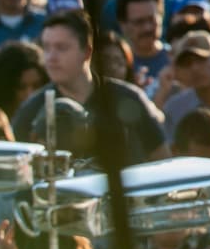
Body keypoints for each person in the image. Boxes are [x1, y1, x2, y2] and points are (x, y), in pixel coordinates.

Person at [10, 10, 169, 166]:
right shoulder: (32, 110)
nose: (51, 57)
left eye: (61, 48)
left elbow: (162, 161)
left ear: (87, 52)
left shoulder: (127, 97)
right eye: (47, 48)